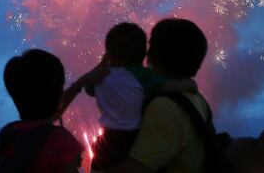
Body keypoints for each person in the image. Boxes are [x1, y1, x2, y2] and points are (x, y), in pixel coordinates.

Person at [60, 22, 196, 171]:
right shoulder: (142, 76)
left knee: (99, 165)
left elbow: (89, 89)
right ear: (144, 55)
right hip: (133, 138)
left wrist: (102, 64)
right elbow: (167, 87)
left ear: (109, 54)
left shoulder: (101, 77)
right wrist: (188, 84)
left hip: (108, 139)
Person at [107, 18, 211, 173]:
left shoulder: (164, 106)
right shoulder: (197, 99)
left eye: (150, 46)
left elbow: (137, 168)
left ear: (154, 55)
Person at [0, 49, 84, 173]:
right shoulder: (61, 140)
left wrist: (78, 85)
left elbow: (42, 126)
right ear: (57, 94)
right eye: (61, 86)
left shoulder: (9, 132)